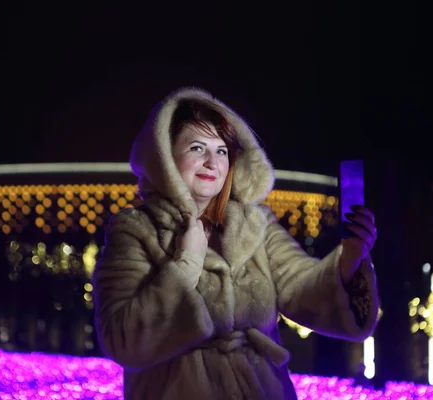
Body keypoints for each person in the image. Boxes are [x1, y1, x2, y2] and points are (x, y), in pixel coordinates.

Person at [92, 87, 380, 399]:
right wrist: (186, 264)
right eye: (197, 148)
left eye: (221, 151)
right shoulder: (135, 229)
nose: (211, 162)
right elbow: (123, 339)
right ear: (165, 158)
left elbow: (303, 288)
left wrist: (350, 258)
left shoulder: (255, 225)